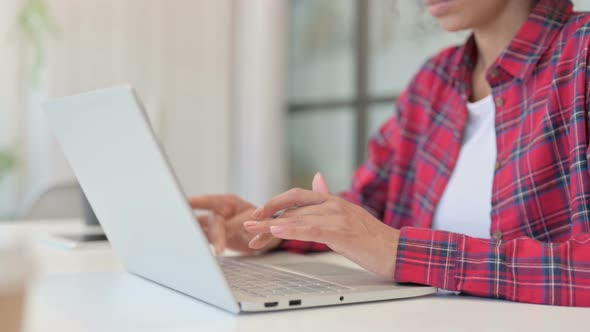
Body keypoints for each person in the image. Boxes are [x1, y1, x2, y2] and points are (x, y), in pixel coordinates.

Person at [190, 0, 590, 306]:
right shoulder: (433, 83)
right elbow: (366, 213)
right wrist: (273, 228)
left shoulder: (581, 56)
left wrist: (401, 252)